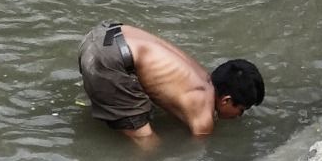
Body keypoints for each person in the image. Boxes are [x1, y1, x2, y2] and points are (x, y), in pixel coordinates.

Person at [76, 21, 263, 143]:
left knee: (145, 106)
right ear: (226, 100)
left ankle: (101, 96)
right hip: (107, 59)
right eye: (241, 109)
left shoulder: (200, 76)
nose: (239, 116)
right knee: (150, 144)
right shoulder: (203, 115)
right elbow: (200, 156)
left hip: (100, 35)